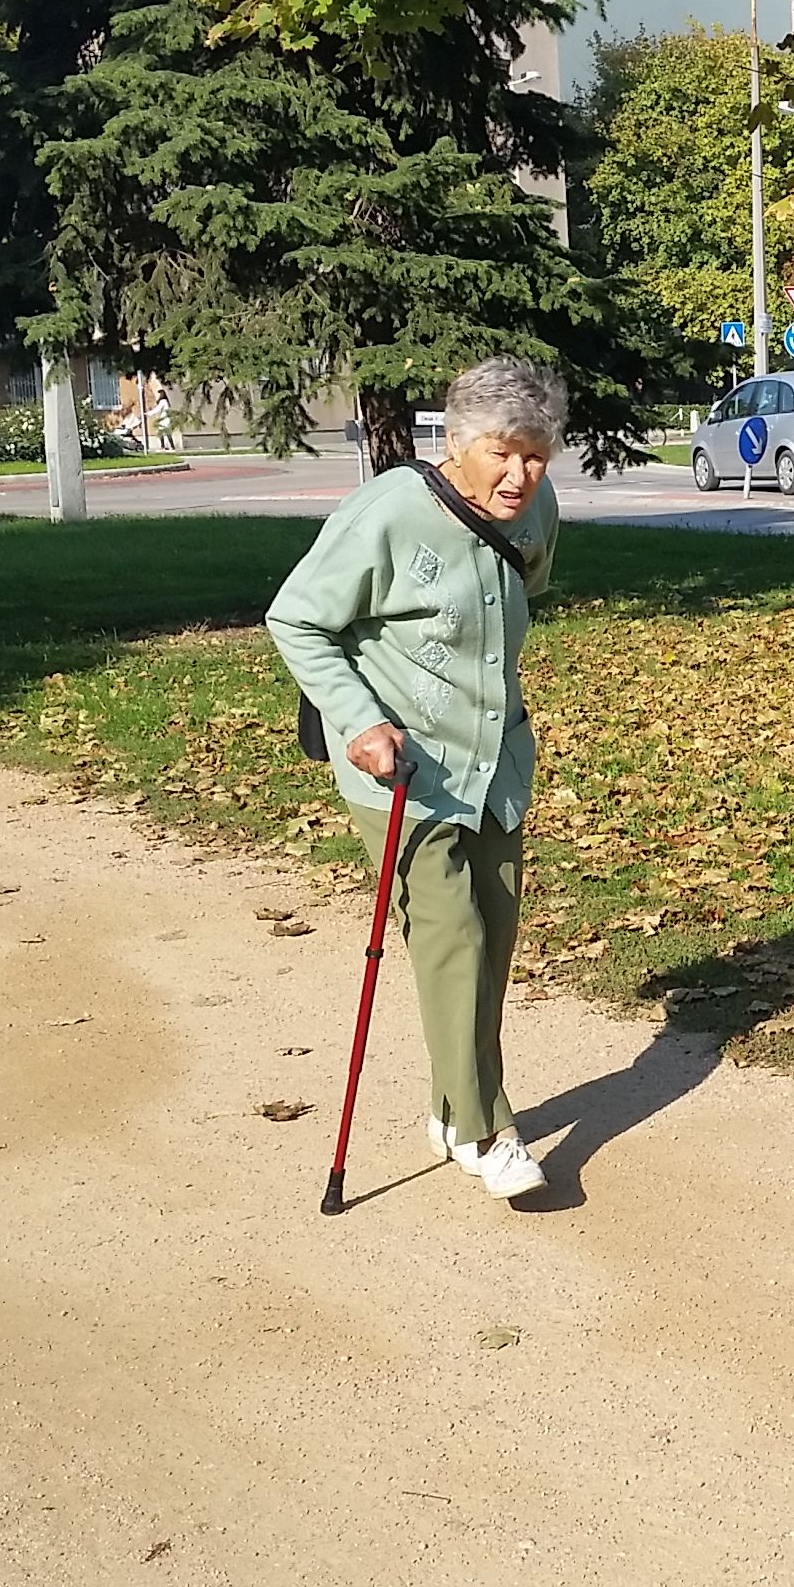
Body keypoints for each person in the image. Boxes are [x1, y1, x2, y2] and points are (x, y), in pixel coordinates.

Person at [266, 357, 565, 1200]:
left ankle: (447, 1106)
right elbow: (297, 617)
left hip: (496, 760)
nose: (520, 476)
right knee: (452, 935)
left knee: (493, 940)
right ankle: (482, 1129)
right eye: (502, 453)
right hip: (402, 774)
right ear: (460, 443)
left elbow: (528, 582)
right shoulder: (389, 512)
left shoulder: (537, 506)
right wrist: (357, 722)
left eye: (536, 455)